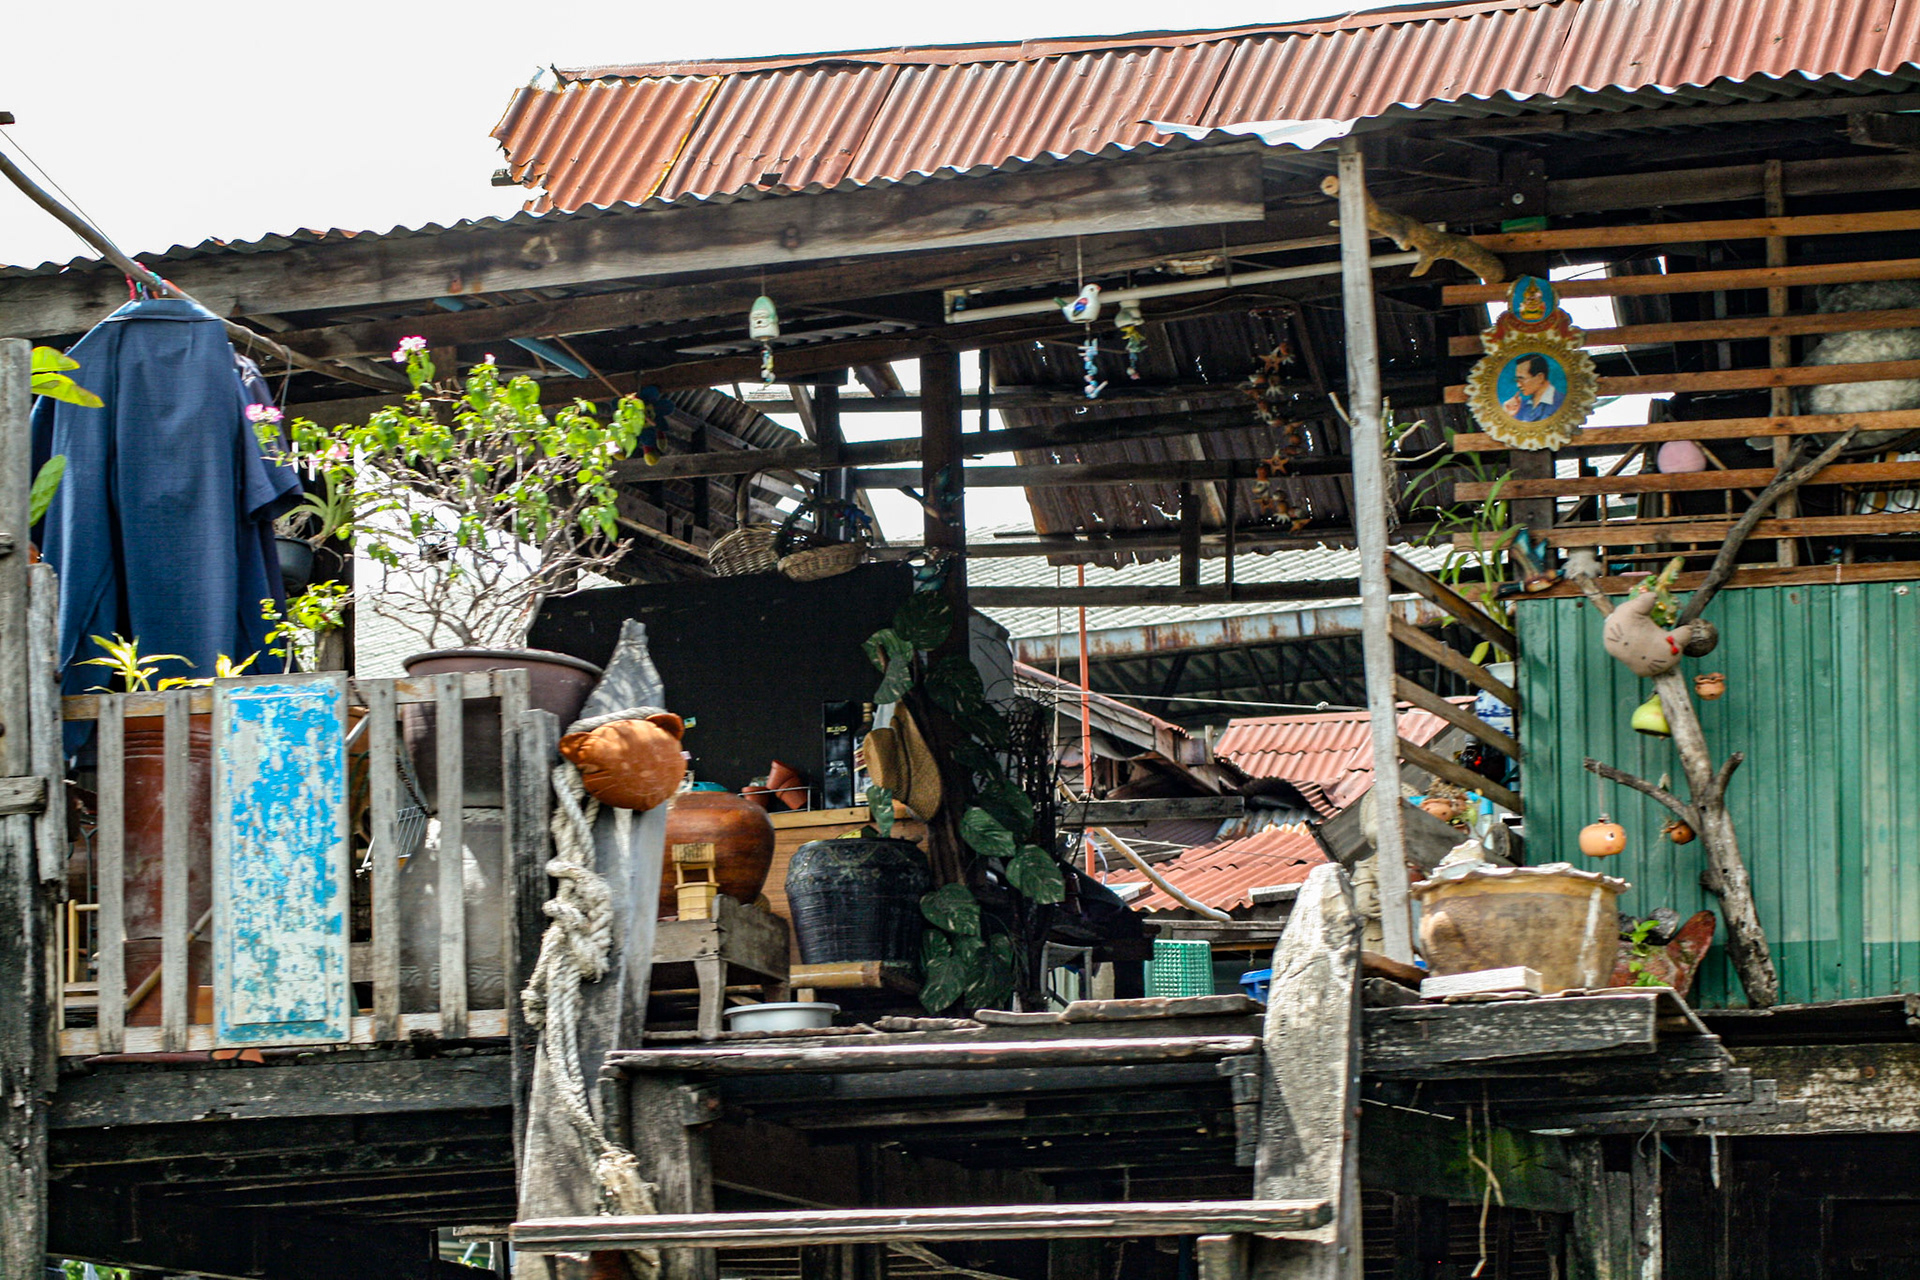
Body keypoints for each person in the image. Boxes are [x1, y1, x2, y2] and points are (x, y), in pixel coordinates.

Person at [1502, 354, 1559, 421]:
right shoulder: (1520, 407)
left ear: (1540, 378)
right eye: (1517, 380)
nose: (1518, 385)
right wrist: (1508, 414)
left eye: (1522, 379)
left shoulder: (1561, 403)